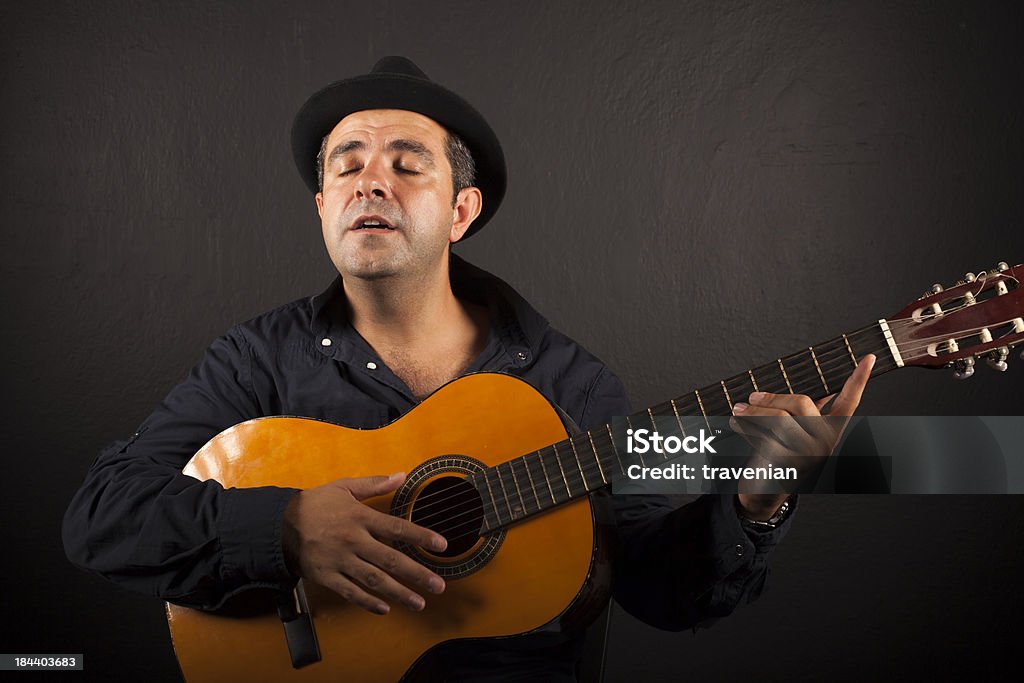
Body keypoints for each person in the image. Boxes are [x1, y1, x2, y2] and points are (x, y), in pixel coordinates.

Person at [63, 56, 873, 680]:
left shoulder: (569, 385)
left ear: (460, 210)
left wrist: (759, 495)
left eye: (408, 162)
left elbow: (665, 593)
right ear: (322, 208)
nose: (370, 178)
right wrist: (282, 529)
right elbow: (101, 513)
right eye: (345, 164)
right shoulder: (256, 361)